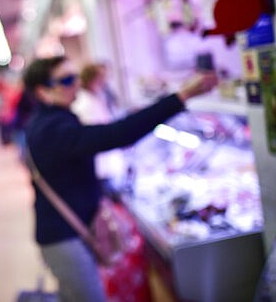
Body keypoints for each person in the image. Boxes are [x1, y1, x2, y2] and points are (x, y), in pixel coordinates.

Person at [23, 55, 217, 302]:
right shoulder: (51, 129)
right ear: (43, 91)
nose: (76, 85)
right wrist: (179, 97)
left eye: (76, 77)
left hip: (71, 231)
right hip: (63, 238)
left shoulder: (53, 121)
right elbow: (117, 135)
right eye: (67, 79)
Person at [71, 62, 128, 198]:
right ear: (91, 79)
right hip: (101, 163)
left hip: (108, 160)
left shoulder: (99, 96)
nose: (104, 81)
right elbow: (96, 135)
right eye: (101, 78)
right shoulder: (83, 103)